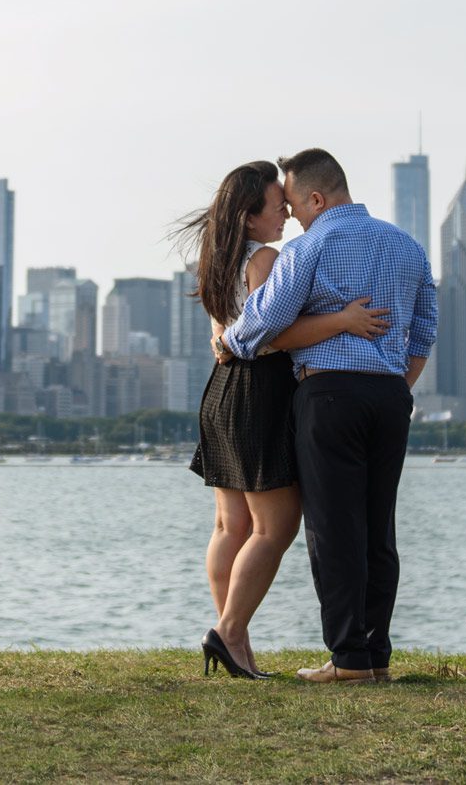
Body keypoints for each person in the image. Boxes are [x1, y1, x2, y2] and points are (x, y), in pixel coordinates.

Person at [220, 147, 436, 684]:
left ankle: (348, 660)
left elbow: (260, 323)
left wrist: (231, 341)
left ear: (316, 197)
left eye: (292, 203)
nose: (290, 215)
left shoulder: (308, 248)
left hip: (329, 396)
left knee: (332, 532)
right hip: (390, 397)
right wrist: (394, 385)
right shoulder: (406, 245)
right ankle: (377, 655)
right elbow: (426, 330)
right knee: (377, 529)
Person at [179, 159, 392, 679]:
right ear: (251, 217)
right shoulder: (266, 259)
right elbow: (271, 335)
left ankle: (237, 643)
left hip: (221, 394)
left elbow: (229, 336)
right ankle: (228, 633)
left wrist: (230, 341)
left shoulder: (217, 261)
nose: (288, 217)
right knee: (276, 527)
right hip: (260, 393)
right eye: (278, 208)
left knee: (231, 525)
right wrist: (343, 319)